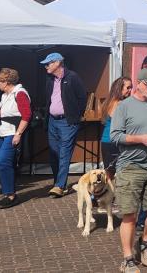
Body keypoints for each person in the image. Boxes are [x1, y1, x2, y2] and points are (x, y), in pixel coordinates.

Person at [111, 68, 147, 272]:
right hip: (130, 166)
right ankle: (127, 257)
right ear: (138, 83)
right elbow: (115, 136)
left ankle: (144, 242)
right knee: (129, 214)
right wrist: (140, 139)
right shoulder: (124, 107)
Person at [41, 52, 87, 198]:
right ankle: (58, 183)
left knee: (64, 153)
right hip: (52, 121)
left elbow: (82, 97)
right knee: (54, 153)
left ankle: (60, 185)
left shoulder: (72, 77)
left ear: (58, 63)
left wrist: (75, 116)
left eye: (48, 64)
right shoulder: (49, 79)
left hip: (67, 122)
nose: (46, 67)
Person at [0, 68, 30, 208]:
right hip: (2, 133)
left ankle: (11, 196)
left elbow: (26, 116)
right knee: (3, 164)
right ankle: (8, 194)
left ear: (7, 82)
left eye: (0, 81)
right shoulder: (4, 96)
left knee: (3, 162)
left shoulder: (20, 94)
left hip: (12, 133)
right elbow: (0, 117)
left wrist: (18, 134)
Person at [101, 77, 133, 178]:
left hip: (107, 142)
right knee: (117, 176)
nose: (130, 90)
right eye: (128, 87)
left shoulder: (109, 101)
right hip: (113, 143)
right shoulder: (119, 104)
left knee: (110, 174)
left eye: (131, 87)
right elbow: (123, 125)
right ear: (120, 88)